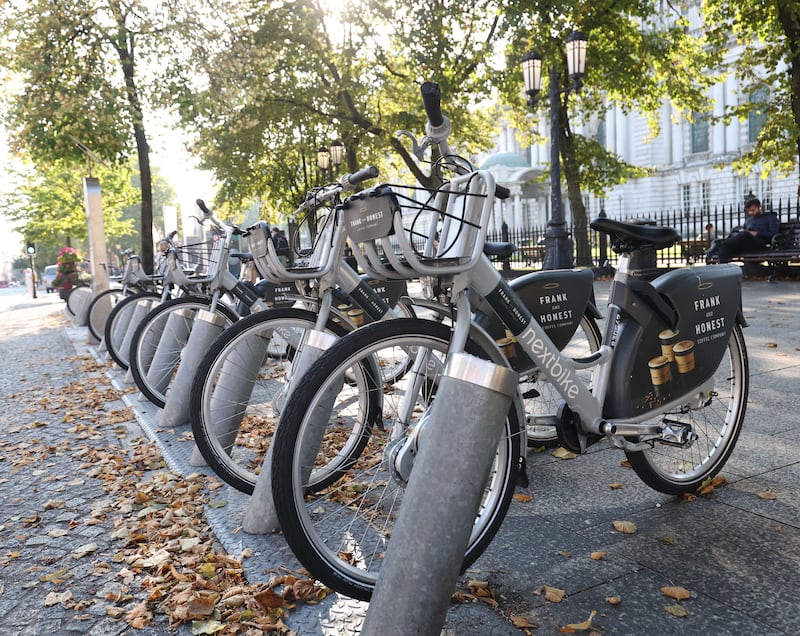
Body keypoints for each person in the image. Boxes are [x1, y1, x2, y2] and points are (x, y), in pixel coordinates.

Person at [708, 197, 778, 263]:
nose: (751, 213)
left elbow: (773, 234)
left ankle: (719, 243)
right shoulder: (749, 220)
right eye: (749, 211)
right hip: (744, 243)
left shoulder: (770, 218)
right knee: (724, 248)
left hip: (759, 244)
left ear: (759, 207)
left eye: (753, 210)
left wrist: (756, 233)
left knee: (745, 234)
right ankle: (724, 270)